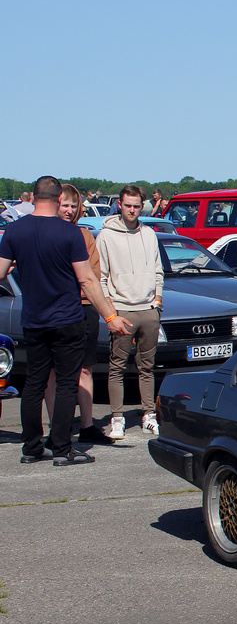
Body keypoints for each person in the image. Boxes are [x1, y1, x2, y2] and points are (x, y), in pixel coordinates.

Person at [0, 176, 130, 466]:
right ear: (59, 199)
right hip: (67, 319)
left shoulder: (14, 230)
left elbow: (0, 271)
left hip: (33, 319)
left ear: (32, 197)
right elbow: (86, 279)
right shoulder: (70, 234)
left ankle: (32, 447)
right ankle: (62, 448)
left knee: (34, 383)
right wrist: (110, 316)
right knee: (67, 383)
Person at [43, 184, 113, 445]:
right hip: (57, 309)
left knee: (85, 368)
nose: (69, 211)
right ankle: (55, 428)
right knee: (53, 372)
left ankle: (87, 424)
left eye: (74, 206)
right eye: (65, 205)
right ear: (55, 205)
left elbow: (92, 273)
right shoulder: (46, 233)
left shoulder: (85, 236)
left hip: (85, 307)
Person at [97, 184, 165, 439]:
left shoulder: (149, 234)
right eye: (128, 205)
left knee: (147, 366)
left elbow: (158, 270)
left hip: (148, 309)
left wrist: (157, 300)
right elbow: (101, 277)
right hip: (122, 310)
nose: (132, 210)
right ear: (120, 205)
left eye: (137, 205)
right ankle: (117, 417)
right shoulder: (106, 236)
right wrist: (111, 313)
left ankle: (149, 414)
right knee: (117, 367)